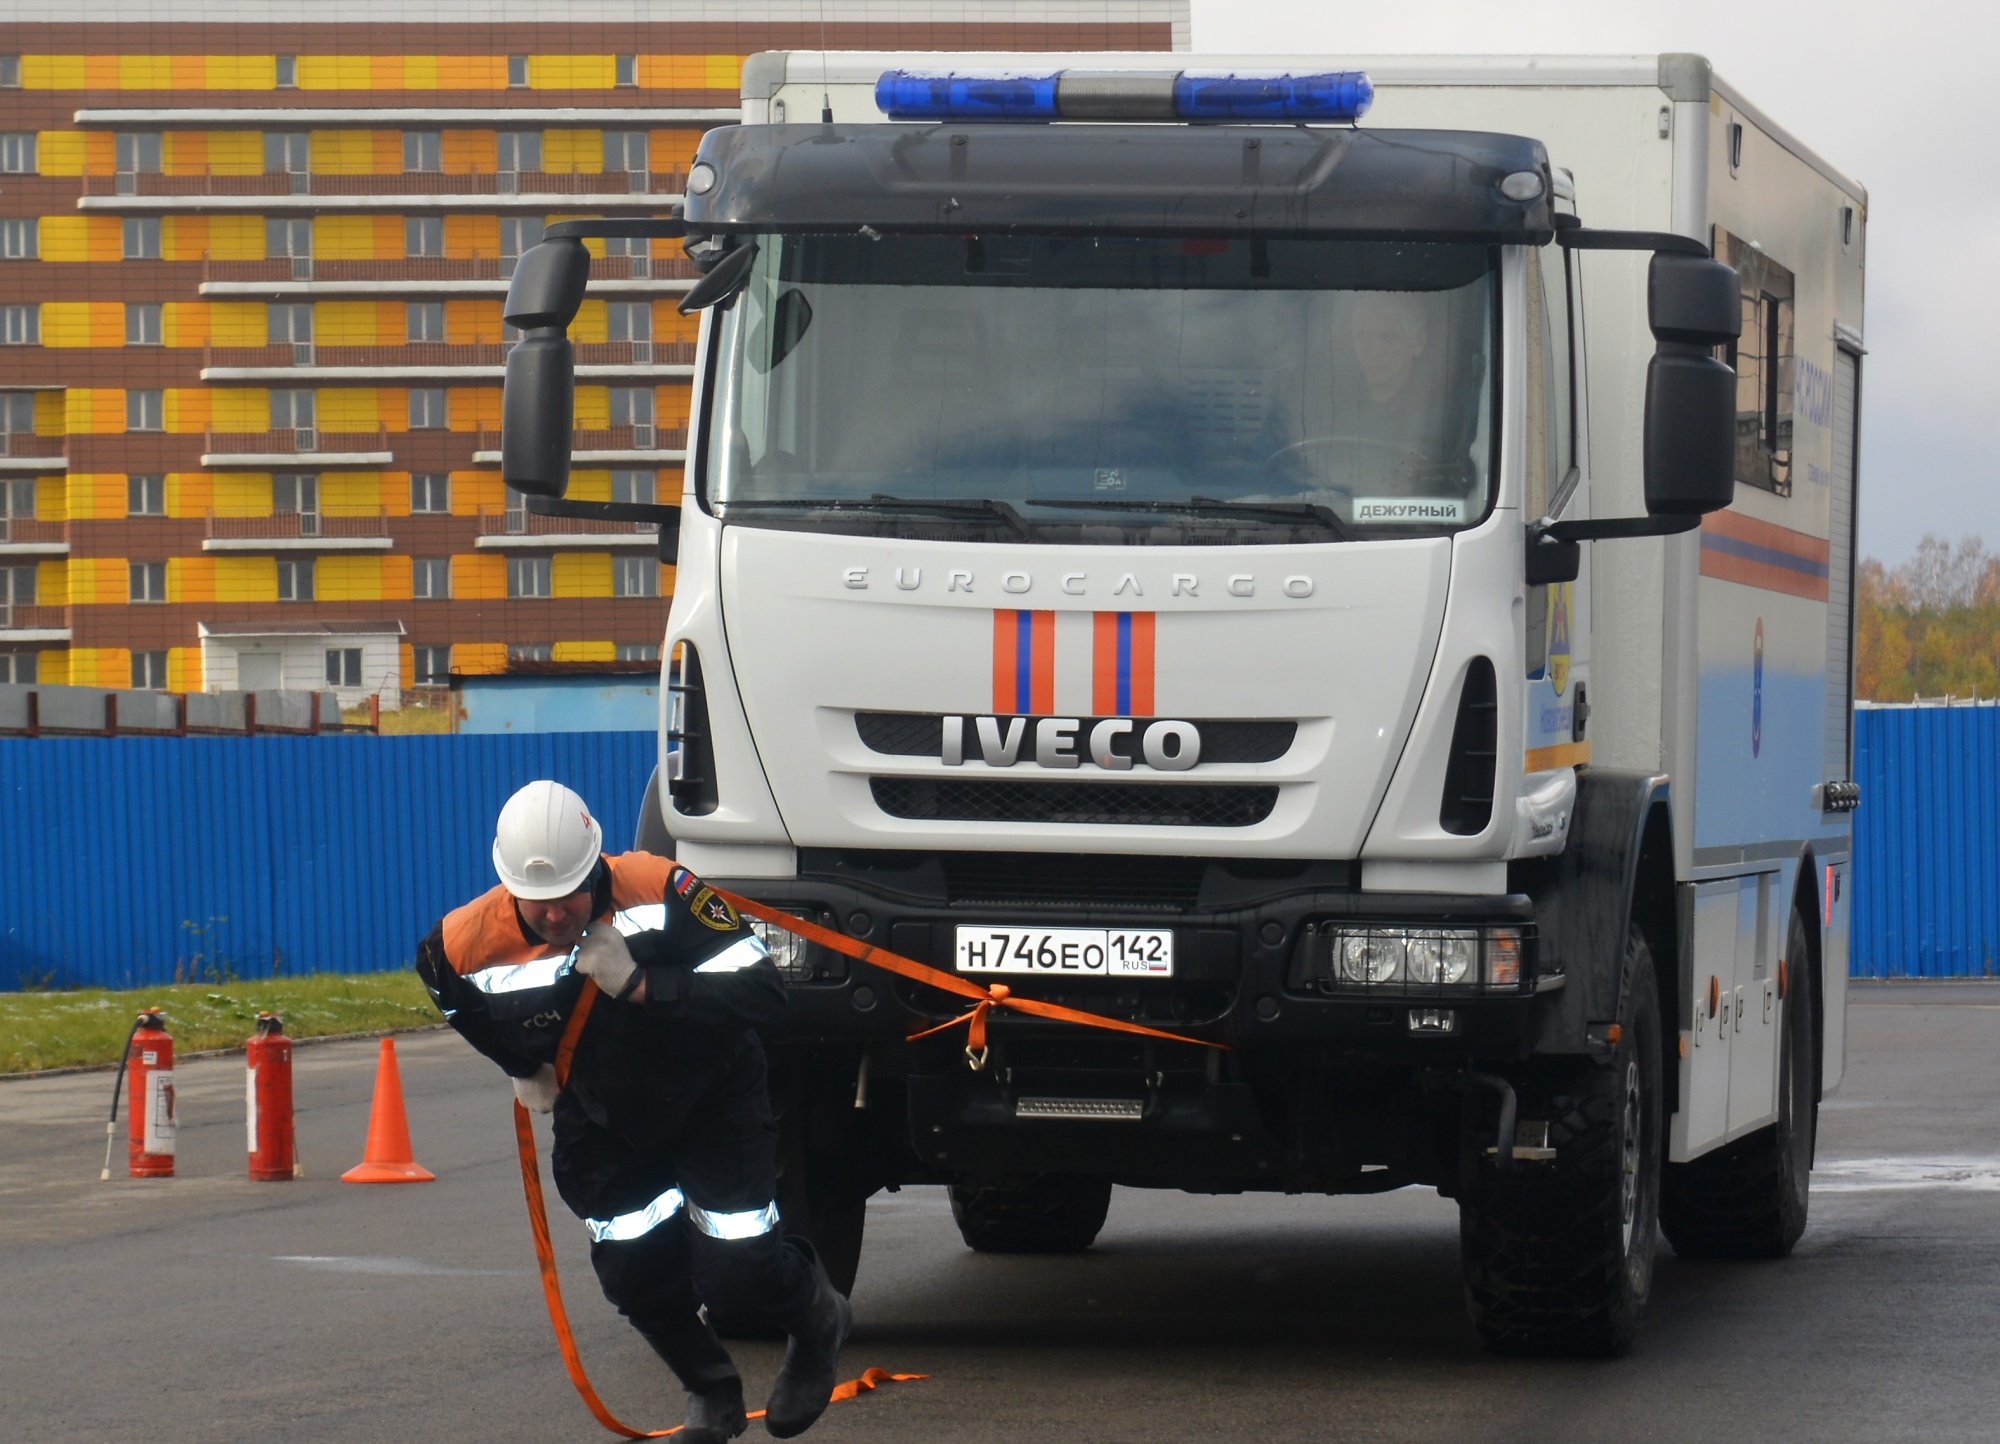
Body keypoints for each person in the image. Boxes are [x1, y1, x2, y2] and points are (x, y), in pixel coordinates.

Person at [415, 780, 849, 1443]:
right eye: (539, 903)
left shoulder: (660, 888)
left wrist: (645, 985)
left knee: (737, 1269)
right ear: (508, 889)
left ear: (596, 866)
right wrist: (519, 1064)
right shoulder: (465, 942)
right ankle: (710, 1388)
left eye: (570, 895)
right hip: (603, 1117)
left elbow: (764, 993)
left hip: (713, 1098)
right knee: (633, 1273)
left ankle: (818, 1320)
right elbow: (452, 996)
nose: (557, 916)